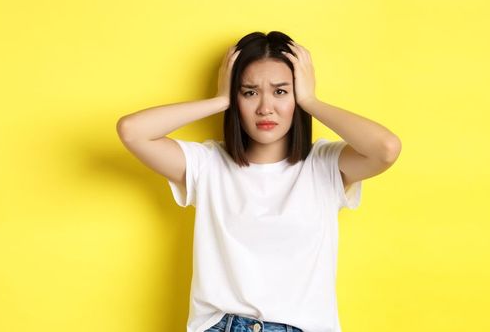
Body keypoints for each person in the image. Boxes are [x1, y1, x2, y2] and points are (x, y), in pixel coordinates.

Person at [117, 31, 401, 332]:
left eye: (280, 92)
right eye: (250, 92)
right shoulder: (208, 164)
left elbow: (386, 148)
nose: (266, 108)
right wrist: (219, 100)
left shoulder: (325, 165)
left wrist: (309, 100)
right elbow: (132, 130)